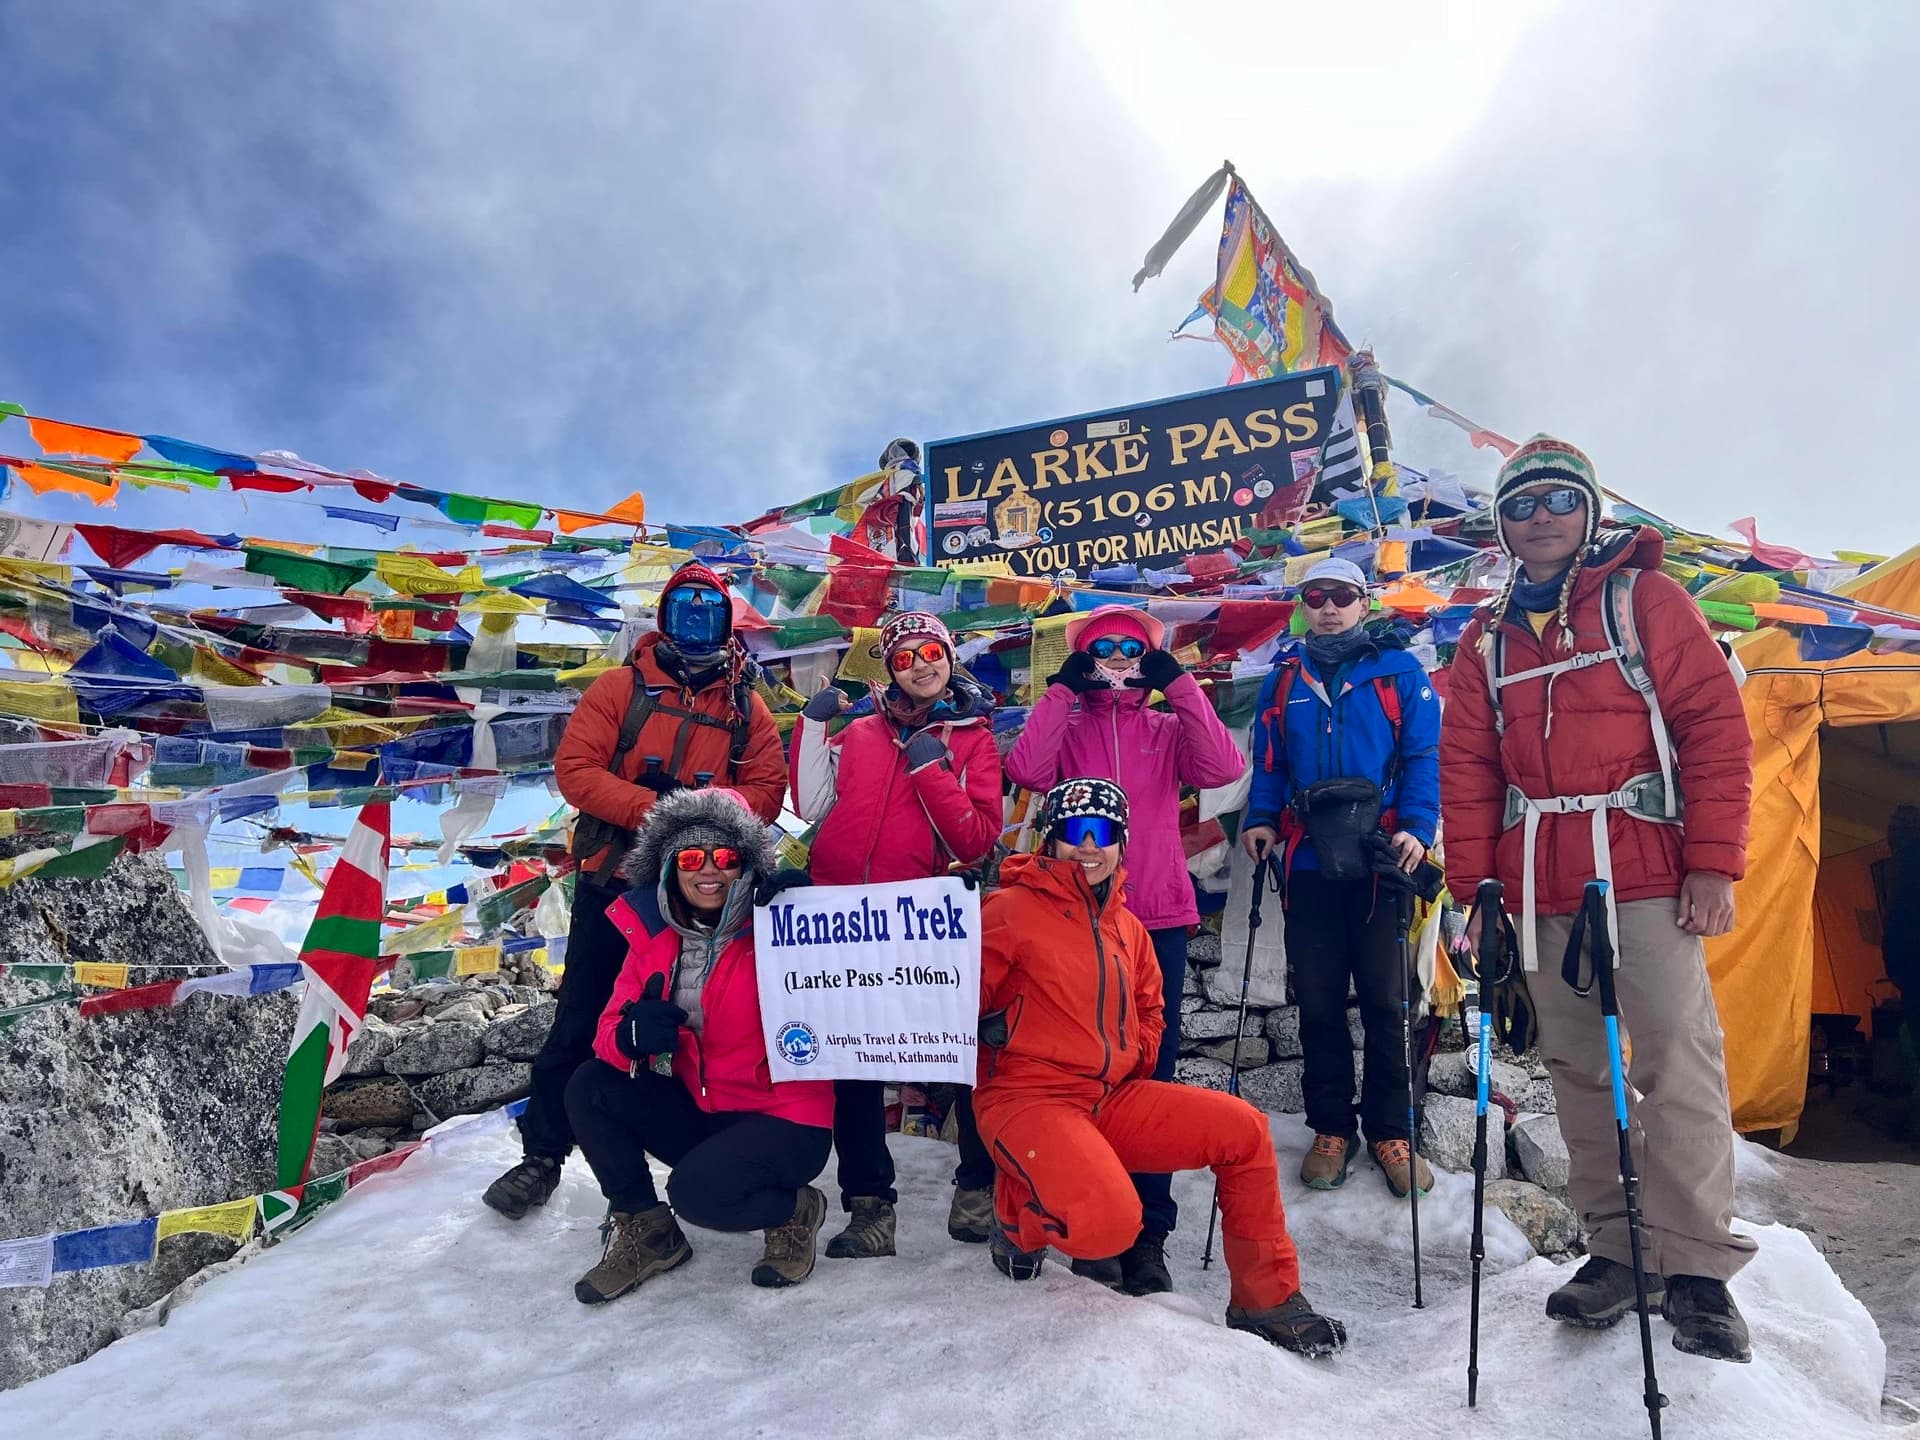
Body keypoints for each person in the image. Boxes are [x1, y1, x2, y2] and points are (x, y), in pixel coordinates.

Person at [1440, 435, 1756, 1363]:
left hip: (1648, 867)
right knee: (1580, 1072)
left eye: (1556, 499)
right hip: (1537, 880)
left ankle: (1696, 1266)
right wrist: (1476, 896)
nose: (1540, 517)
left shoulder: (1644, 599)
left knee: (1675, 1060)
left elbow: (1713, 729)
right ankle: (1620, 1253)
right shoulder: (1485, 639)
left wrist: (1713, 863)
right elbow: (1467, 771)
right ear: (1502, 525)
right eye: (1522, 504)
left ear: (1588, 508)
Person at [973, 777, 1346, 1358]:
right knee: (1113, 1228)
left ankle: (1264, 1299)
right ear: (1050, 840)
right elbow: (951, 1000)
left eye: (1105, 834)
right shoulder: (1008, 910)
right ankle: (1015, 1212)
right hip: (1028, 1099)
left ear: (1123, 845)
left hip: (1109, 1097)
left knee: (1243, 1130)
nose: (1089, 846)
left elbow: (1152, 1009)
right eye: (1075, 832)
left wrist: (1134, 1054)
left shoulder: (1127, 926)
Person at [484, 561, 788, 1220]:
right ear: (665, 620)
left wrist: (702, 808)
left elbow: (767, 792)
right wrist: (655, 811)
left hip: (705, 891)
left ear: (731, 625)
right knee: (584, 1016)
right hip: (615, 880)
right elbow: (577, 770)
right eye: (685, 611)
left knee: (701, 1022)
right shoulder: (621, 687)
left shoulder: (746, 707)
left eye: (711, 613)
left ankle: (709, 1148)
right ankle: (543, 1156)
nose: (698, 625)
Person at [1005, 602, 1246, 1294]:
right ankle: (1089, 1214)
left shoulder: (1168, 726)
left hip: (1157, 914)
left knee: (1149, 1073)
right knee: (1076, 1069)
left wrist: (1180, 685)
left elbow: (1222, 768)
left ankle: (1148, 1231)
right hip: (1073, 919)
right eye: (1101, 646)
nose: (1115, 656)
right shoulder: (1070, 721)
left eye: (1130, 647)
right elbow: (1026, 768)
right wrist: (1062, 689)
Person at [564, 787, 833, 1300]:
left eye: (726, 857)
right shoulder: (654, 940)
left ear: (746, 865)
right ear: (670, 867)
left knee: (700, 1196)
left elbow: (865, 986)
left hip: (784, 1115)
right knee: (590, 1085)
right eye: (690, 856)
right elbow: (606, 1033)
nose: (707, 870)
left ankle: (794, 1208)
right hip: (701, 1105)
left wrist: (812, 913)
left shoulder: (785, 930)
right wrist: (630, 1036)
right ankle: (647, 1229)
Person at [790, 610, 1003, 1256]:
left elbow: (975, 838)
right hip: (844, 921)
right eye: (905, 657)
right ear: (889, 667)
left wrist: (929, 769)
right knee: (852, 1065)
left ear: (949, 654)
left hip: (922, 920)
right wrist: (808, 725)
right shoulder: (858, 731)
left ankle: (979, 1186)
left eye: (931, 651)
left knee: (958, 1053)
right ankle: (869, 1207)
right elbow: (809, 805)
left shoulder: (974, 738)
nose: (921, 665)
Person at [1240, 555, 1442, 1198]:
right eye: (1316, 596)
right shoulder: (1284, 679)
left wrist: (1417, 824)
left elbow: (1423, 755)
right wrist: (1262, 816)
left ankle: (1391, 1130)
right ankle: (1332, 1127)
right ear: (1304, 605)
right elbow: (1269, 761)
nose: (1328, 606)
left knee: (1388, 1001)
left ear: (1365, 603)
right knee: (1320, 1001)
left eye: (1342, 596)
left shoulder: (1399, 671)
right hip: (1306, 858)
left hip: (1382, 855)